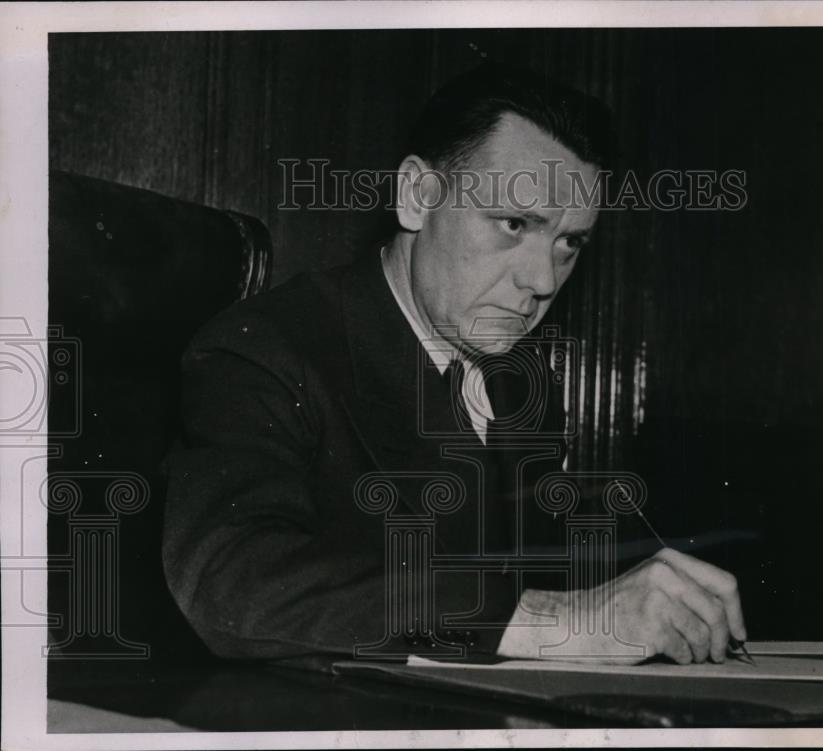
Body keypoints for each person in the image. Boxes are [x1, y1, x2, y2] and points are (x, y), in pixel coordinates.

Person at [163, 64, 746, 666]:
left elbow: (545, 576)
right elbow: (230, 583)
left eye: (569, 242)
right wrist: (558, 621)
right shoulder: (263, 350)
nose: (542, 281)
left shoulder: (523, 383)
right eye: (514, 224)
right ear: (417, 196)